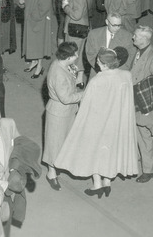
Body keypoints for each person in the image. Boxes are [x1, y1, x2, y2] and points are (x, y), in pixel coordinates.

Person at [55, 48, 138, 196]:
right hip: (117, 123)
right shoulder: (126, 75)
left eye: (99, 61)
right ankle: (107, 182)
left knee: (95, 151)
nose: (97, 63)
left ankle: (98, 185)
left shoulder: (97, 80)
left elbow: (86, 103)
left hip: (98, 122)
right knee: (110, 150)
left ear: (104, 64)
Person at [43, 42, 85, 190]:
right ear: (67, 57)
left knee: (63, 142)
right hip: (59, 113)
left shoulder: (61, 64)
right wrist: (84, 94)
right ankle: (51, 173)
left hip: (66, 112)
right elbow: (66, 98)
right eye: (75, 55)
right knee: (54, 144)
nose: (77, 56)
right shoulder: (58, 73)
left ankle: (58, 166)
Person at [130, 26, 153, 184]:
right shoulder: (140, 51)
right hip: (135, 100)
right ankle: (141, 161)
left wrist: (147, 109)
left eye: (136, 36)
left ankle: (148, 170)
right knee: (138, 134)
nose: (133, 38)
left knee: (145, 138)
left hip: (145, 105)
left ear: (144, 40)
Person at [18, 0, 56, 78]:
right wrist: (22, 1)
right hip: (30, 18)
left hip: (38, 20)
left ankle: (39, 66)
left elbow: (45, 6)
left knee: (38, 43)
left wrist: (33, 16)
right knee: (31, 42)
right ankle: (33, 61)